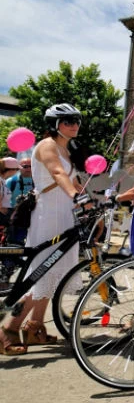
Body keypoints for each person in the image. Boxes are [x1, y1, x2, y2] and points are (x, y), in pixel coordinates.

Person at [1, 104, 86, 356]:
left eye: (77, 120)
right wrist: (75, 195)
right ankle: (8, 329)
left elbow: (75, 181)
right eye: (68, 120)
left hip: (65, 216)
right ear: (54, 124)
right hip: (50, 216)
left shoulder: (65, 149)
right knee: (41, 274)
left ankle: (35, 328)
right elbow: (58, 174)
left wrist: (94, 202)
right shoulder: (47, 145)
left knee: (55, 275)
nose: (74, 125)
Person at [5, 157, 33, 242]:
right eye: (25, 166)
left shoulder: (38, 180)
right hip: (15, 216)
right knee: (13, 242)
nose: (28, 169)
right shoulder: (11, 181)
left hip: (33, 215)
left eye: (30, 166)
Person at [0, 157, 20, 227]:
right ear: (11, 170)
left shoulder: (3, 181)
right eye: (17, 169)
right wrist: (4, 213)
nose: (17, 172)